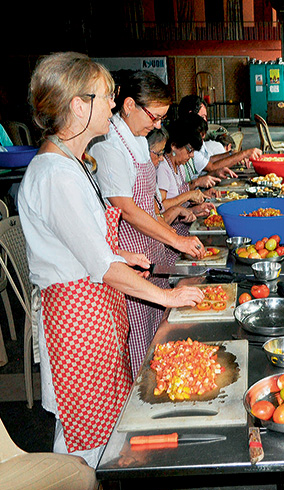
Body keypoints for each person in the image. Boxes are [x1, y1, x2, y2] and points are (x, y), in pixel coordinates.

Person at [17, 52, 203, 467]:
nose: (113, 104)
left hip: (95, 317)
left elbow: (80, 247)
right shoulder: (55, 176)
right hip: (78, 327)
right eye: (106, 97)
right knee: (85, 449)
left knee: (101, 436)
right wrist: (167, 298)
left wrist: (121, 252)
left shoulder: (72, 164)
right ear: (78, 105)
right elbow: (99, 268)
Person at [89, 70, 206, 378]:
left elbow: (150, 205)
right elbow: (126, 209)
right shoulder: (110, 146)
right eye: (154, 117)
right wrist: (176, 240)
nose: (157, 125)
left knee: (158, 328)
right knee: (141, 337)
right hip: (129, 252)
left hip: (148, 249)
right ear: (128, 105)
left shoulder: (137, 141)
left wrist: (169, 236)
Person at [178, 95, 261, 178]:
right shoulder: (188, 142)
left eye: (206, 117)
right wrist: (244, 154)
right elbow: (211, 167)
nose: (206, 121)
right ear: (191, 115)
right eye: (203, 117)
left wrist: (232, 154)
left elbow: (208, 160)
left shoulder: (197, 137)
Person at [147, 127, 205, 228]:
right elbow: (162, 207)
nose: (191, 155)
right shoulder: (162, 167)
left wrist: (195, 208)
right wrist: (188, 195)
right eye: (189, 150)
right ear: (174, 146)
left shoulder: (180, 167)